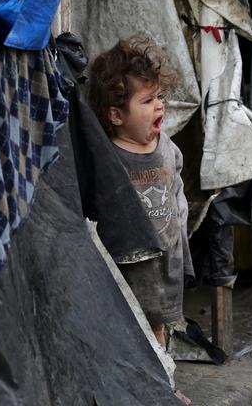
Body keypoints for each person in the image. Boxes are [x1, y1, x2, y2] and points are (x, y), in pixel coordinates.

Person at [87, 35, 195, 354]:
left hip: (166, 261)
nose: (159, 105)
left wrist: (181, 237)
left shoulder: (166, 148)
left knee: (159, 325)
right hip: (128, 267)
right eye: (147, 101)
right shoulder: (110, 159)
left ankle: (163, 385)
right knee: (132, 329)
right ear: (116, 116)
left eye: (159, 97)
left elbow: (177, 190)